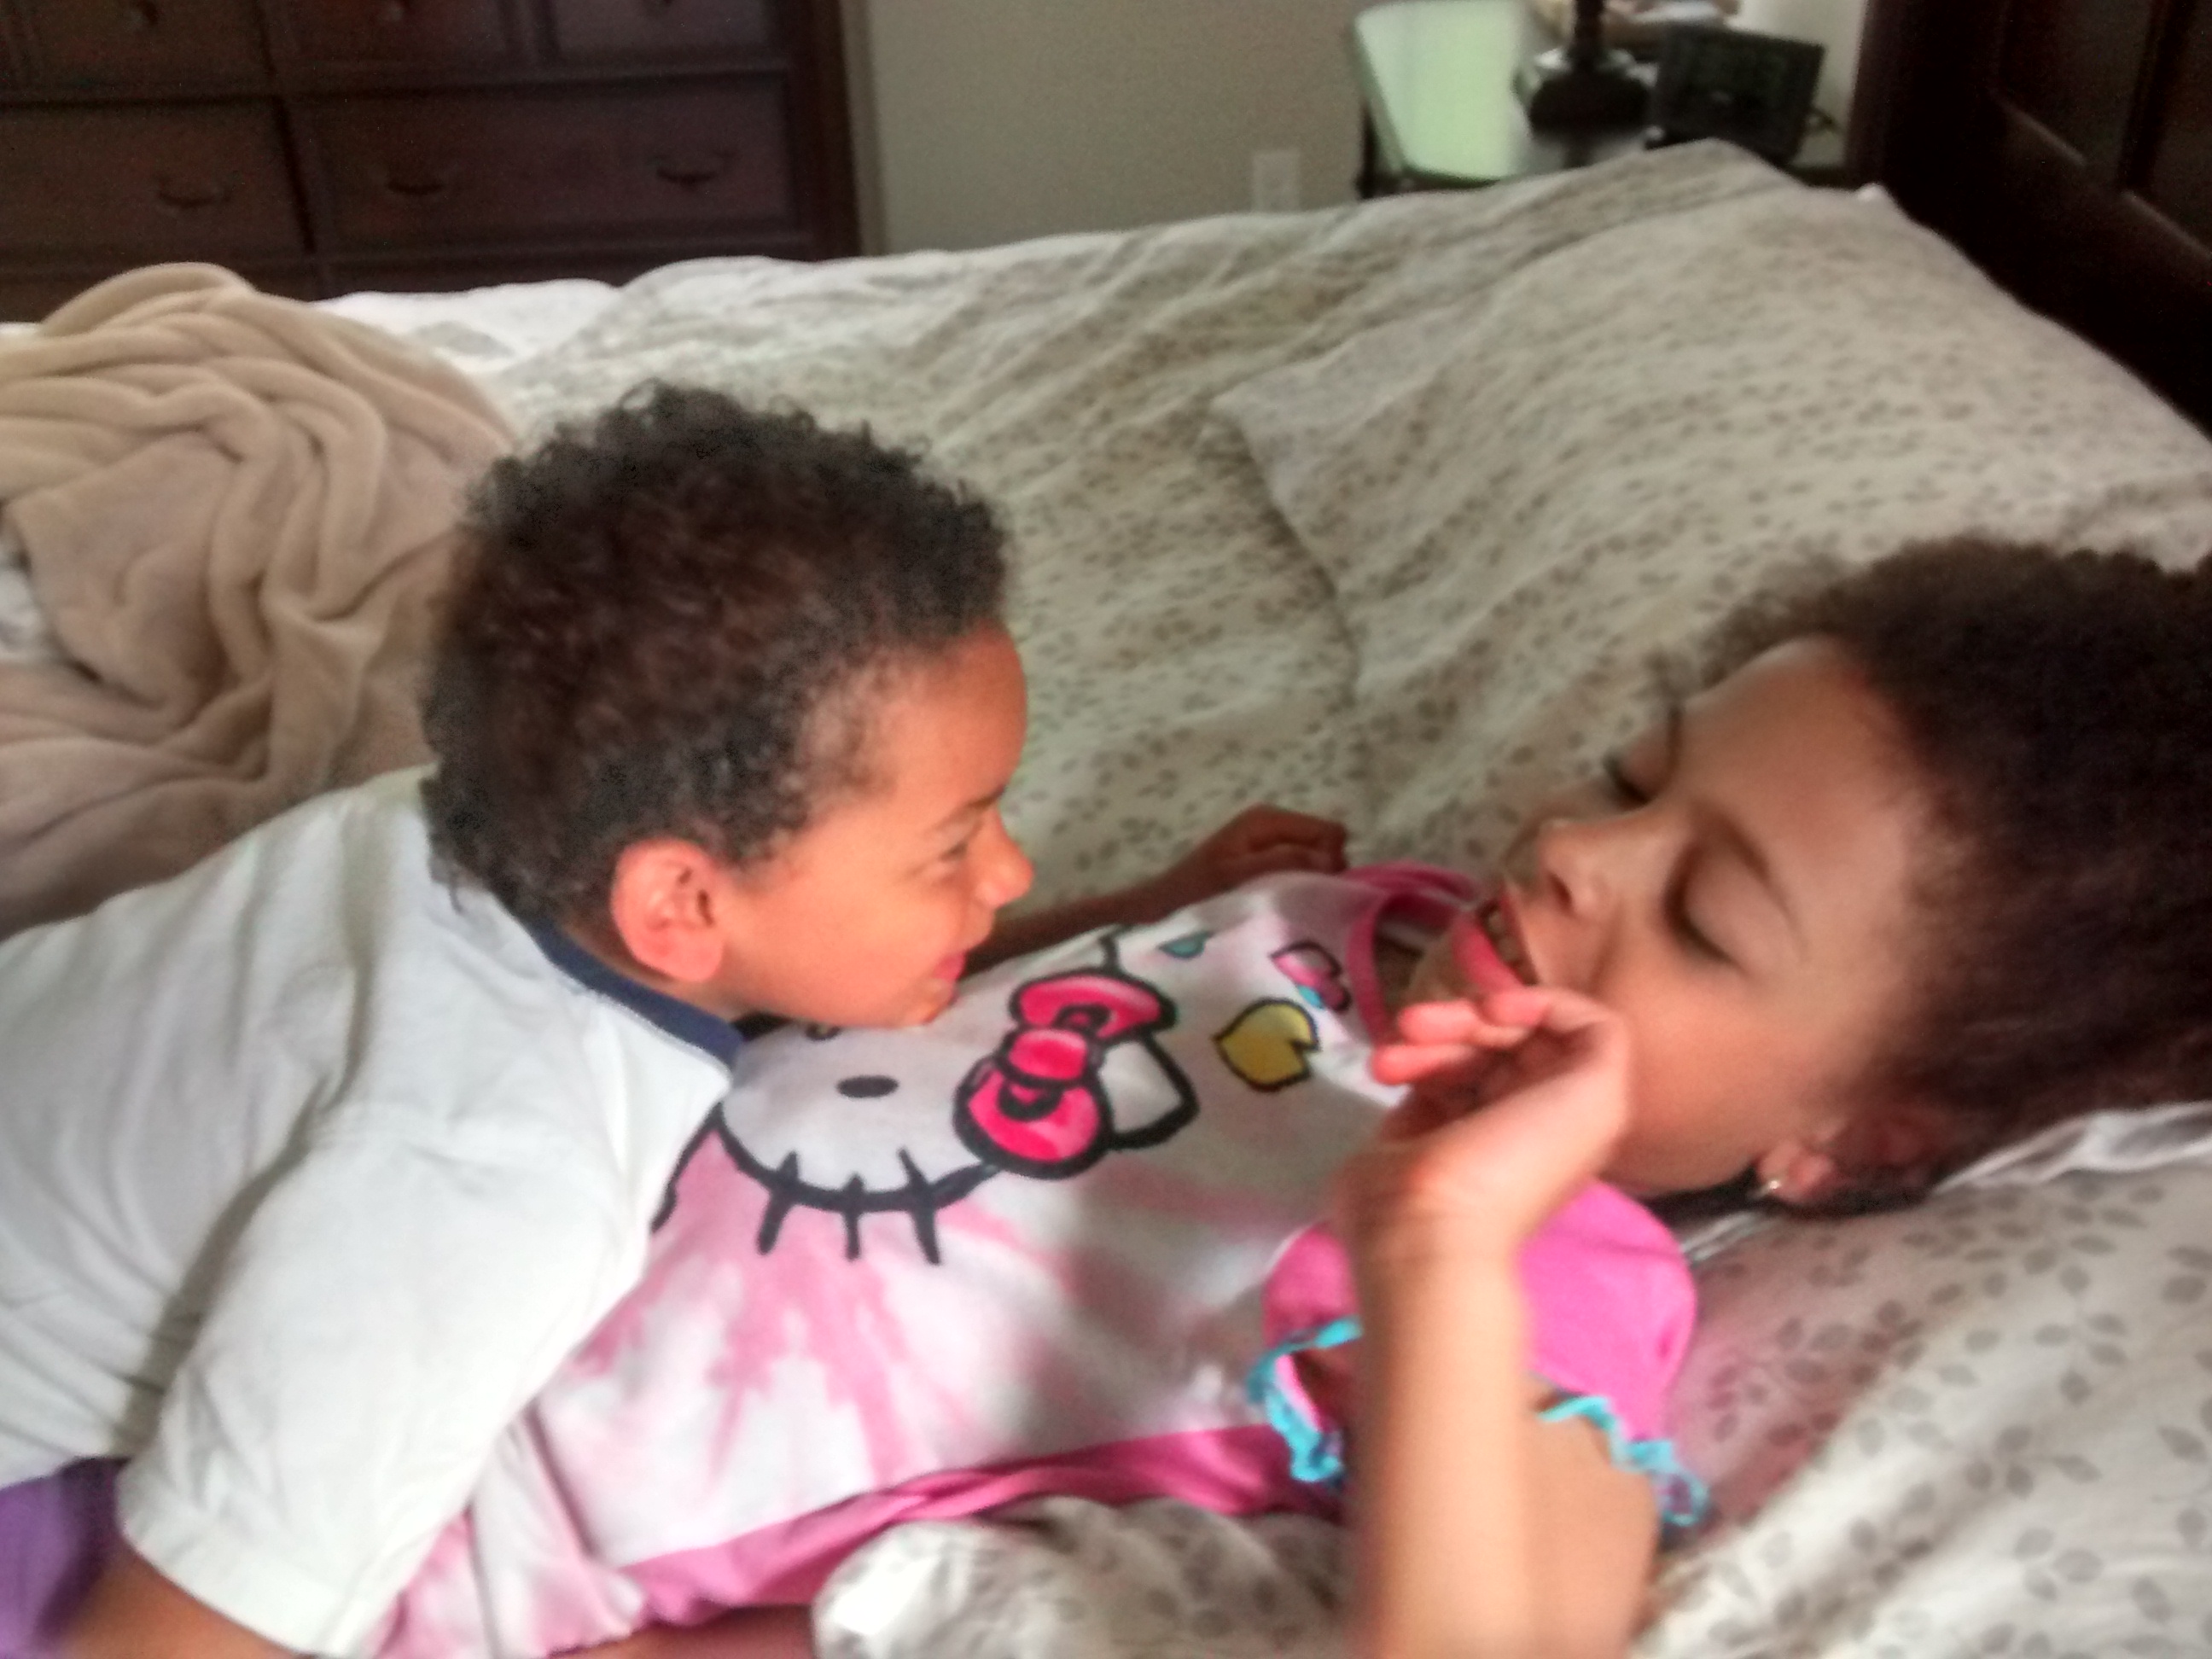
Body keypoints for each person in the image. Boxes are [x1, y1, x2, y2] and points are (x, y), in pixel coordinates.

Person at [568, 538, 2212, 1659]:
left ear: (1849, 1141)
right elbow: (965, 1024)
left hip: (533, 1470)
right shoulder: (1389, 915)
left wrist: (1439, 1240)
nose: (1578, 849)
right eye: (1637, 775)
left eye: (1705, 920)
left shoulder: (1540, 1257)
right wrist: (1158, 899)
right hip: (556, 1156)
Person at [0, 383, 1344, 1659]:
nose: (1009, 872)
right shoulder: (493, 1190)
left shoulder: (440, 826)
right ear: (680, 903)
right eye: (952, 847)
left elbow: (819, 956)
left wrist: (1139, 907)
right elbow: (180, 1627)